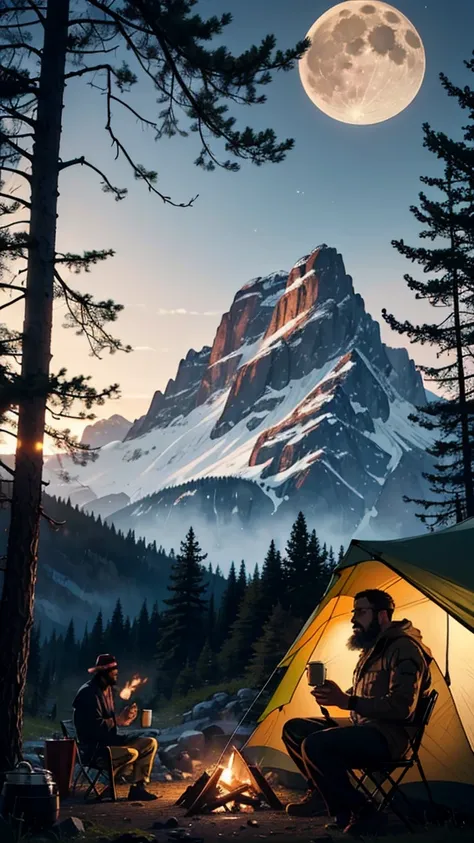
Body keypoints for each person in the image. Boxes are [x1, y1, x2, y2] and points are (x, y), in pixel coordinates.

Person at [282, 590, 432, 835]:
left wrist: (347, 701)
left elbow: (402, 707)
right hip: (365, 727)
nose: (354, 619)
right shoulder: (375, 649)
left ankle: (365, 811)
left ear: (382, 615)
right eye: (354, 612)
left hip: (388, 737)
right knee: (295, 729)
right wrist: (336, 694)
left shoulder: (404, 648)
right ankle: (322, 794)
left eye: (361, 612)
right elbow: (368, 692)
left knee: (316, 745)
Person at [73, 653, 158, 801]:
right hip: (96, 750)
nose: (116, 675)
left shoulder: (106, 691)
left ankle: (138, 788)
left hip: (110, 742)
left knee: (149, 743)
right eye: (114, 672)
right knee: (132, 753)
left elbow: (110, 722)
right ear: (104, 673)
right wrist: (117, 720)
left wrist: (124, 720)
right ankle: (108, 787)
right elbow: (94, 728)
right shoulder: (88, 693)